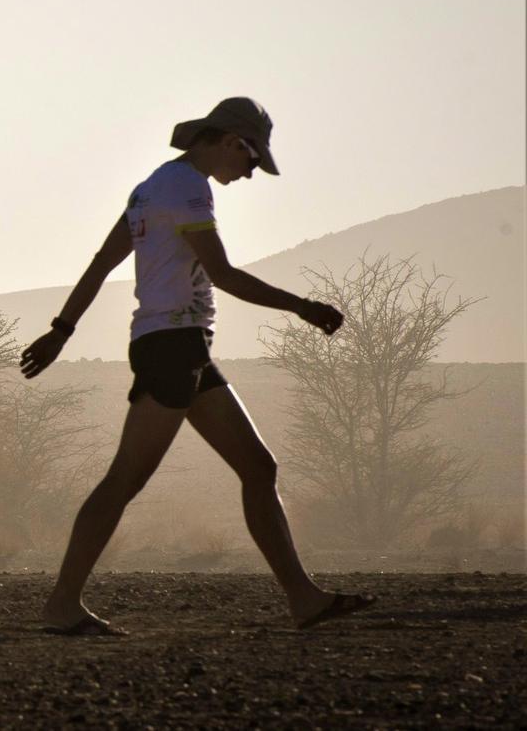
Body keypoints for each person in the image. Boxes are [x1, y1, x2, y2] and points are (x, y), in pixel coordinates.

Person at [21, 97, 374, 635]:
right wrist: (303, 307)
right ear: (232, 141)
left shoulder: (152, 186)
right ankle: (62, 605)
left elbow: (102, 261)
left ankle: (304, 599)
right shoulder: (188, 188)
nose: (250, 173)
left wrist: (63, 330)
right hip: (174, 345)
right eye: (252, 161)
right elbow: (223, 274)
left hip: (179, 345)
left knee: (259, 468)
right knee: (124, 480)